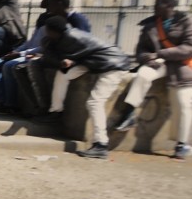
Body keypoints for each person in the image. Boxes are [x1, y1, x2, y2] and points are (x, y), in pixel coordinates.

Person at [111, 0, 192, 160]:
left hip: (184, 66)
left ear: (170, 7)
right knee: (143, 75)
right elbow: (141, 50)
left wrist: (160, 53)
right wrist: (146, 58)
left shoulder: (189, 22)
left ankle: (182, 144)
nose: (155, 8)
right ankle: (128, 114)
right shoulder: (151, 25)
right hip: (160, 63)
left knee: (183, 102)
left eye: (159, 5)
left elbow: (190, 48)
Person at [39, 15, 130, 159]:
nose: (45, 34)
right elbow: (57, 58)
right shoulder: (64, 36)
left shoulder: (71, 38)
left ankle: (101, 144)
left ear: (54, 31)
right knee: (63, 75)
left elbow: (50, 57)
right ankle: (56, 111)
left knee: (95, 102)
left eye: (47, 31)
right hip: (92, 62)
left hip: (113, 65)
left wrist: (49, 49)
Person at [0, 0, 87, 112]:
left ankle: (48, 109)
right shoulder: (49, 19)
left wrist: (26, 54)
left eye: (50, 3)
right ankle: (39, 106)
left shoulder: (76, 19)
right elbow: (42, 43)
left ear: (59, 4)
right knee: (20, 68)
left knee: (24, 66)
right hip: (49, 56)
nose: (48, 6)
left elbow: (81, 44)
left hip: (70, 60)